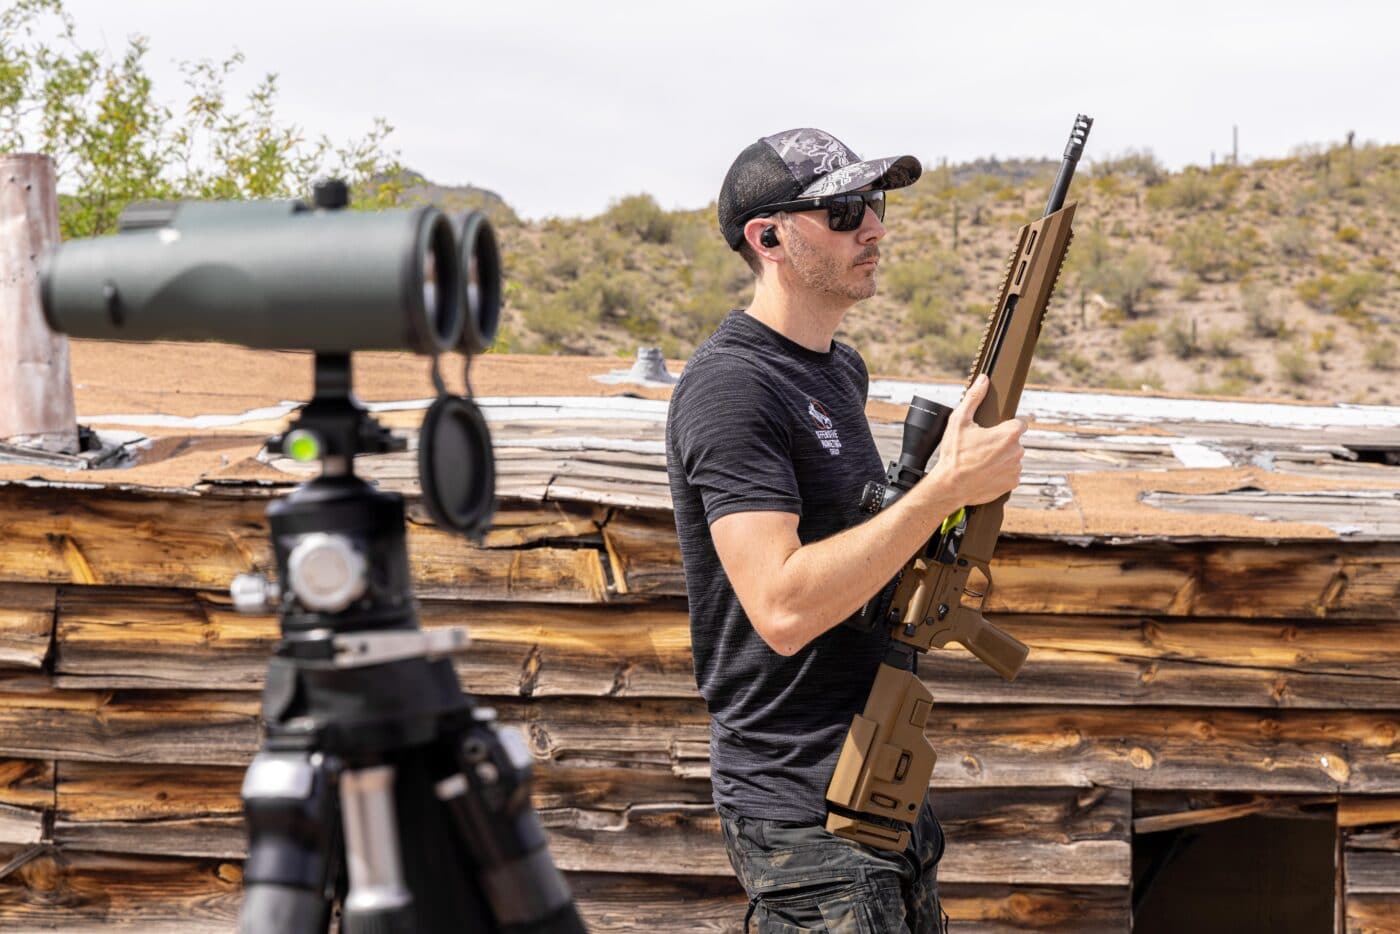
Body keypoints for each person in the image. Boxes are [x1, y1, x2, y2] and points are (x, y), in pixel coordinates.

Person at [664, 128, 1027, 932]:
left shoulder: (837, 370)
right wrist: (940, 491)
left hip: (880, 784)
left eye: (875, 204)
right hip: (801, 808)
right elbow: (782, 608)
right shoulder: (730, 388)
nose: (874, 227)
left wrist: (948, 510)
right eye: (843, 210)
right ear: (769, 238)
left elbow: (866, 551)